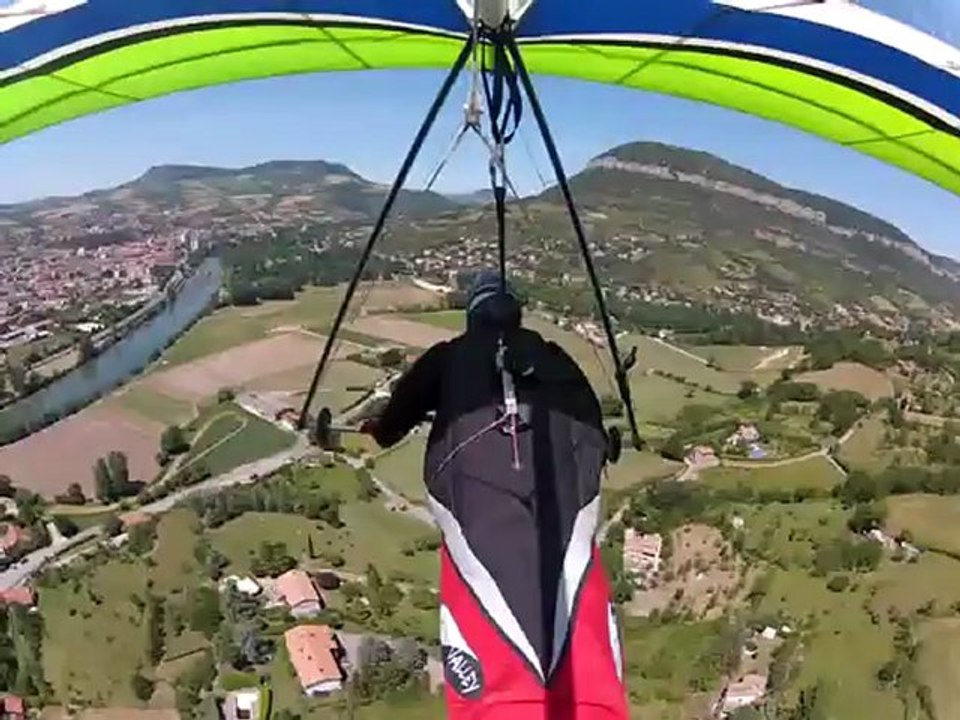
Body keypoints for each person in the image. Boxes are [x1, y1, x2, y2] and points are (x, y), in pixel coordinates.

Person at [362, 270, 628, 720]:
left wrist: (380, 430)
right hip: (565, 495)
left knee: (483, 588)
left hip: (474, 504)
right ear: (516, 317)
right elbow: (590, 421)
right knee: (576, 595)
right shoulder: (552, 355)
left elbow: (394, 423)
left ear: (472, 317)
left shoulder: (450, 356)